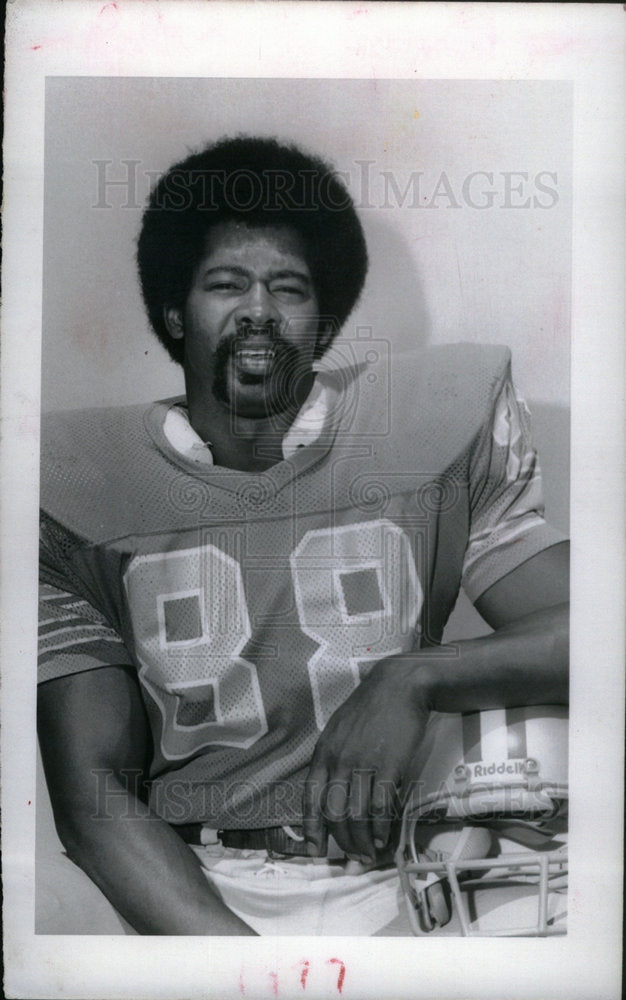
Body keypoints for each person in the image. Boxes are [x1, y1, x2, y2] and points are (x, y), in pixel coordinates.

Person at [37, 135, 569, 936]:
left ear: (320, 324)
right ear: (177, 312)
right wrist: (240, 971)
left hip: (405, 875)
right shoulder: (78, 481)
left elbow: (596, 637)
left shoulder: (433, 429)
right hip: (189, 887)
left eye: (288, 288)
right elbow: (93, 794)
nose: (258, 308)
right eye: (226, 284)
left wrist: (413, 678)